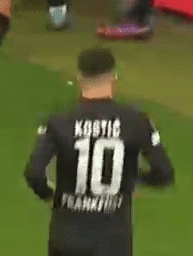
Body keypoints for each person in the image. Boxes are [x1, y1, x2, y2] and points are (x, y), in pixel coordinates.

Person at [23, 47, 175, 256]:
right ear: (113, 77)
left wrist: (50, 197)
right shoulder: (135, 121)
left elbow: (34, 173)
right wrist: (134, 178)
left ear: (79, 78)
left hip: (67, 237)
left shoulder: (59, 121)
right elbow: (164, 173)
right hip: (113, 241)